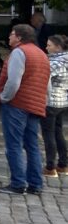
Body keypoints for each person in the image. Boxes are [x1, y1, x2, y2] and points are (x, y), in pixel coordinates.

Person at [0, 23, 50, 195]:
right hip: (35, 103)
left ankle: (18, 183)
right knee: (32, 145)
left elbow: (13, 81)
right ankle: (35, 183)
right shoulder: (42, 54)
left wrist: (4, 97)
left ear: (19, 37)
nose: (9, 37)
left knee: (14, 144)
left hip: (18, 103)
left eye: (11, 34)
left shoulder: (20, 52)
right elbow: (47, 82)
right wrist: (43, 100)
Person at [42, 34, 68, 180]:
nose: (46, 48)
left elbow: (44, 78)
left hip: (51, 101)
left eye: (49, 45)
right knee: (58, 133)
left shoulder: (56, 62)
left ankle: (50, 166)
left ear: (58, 47)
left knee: (49, 134)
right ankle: (63, 164)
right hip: (62, 100)